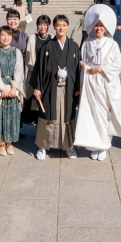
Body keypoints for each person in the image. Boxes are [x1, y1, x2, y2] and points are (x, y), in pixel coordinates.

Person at [74, 5, 121, 160]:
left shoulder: (111, 43)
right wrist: (82, 64)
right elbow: (82, 59)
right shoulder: (87, 42)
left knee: (104, 113)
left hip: (104, 82)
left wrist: (101, 69)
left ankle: (103, 145)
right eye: (96, 25)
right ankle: (93, 145)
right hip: (90, 82)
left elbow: (118, 63)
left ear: (106, 27)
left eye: (101, 26)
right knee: (90, 112)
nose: (98, 28)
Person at [31, 14, 81, 160]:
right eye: (58, 25)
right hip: (49, 87)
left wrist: (77, 87)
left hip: (68, 88)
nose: (61, 28)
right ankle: (43, 146)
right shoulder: (47, 46)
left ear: (67, 27)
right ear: (54, 27)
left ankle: (69, 146)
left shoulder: (74, 47)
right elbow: (39, 68)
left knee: (67, 117)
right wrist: (37, 87)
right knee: (47, 115)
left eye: (64, 25)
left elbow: (77, 69)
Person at [0, 26, 25, 156]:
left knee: (12, 115)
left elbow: (19, 70)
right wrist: (1, 87)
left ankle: (9, 141)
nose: (6, 38)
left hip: (13, 87)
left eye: (8, 35)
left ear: (12, 37)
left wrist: (14, 87)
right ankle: (0, 142)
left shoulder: (17, 52)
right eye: (3, 35)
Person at [24, 15, 52, 126]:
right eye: (40, 24)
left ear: (49, 25)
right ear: (37, 25)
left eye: (45, 24)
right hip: (34, 75)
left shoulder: (52, 38)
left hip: (48, 77)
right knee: (35, 103)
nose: (42, 27)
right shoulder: (33, 38)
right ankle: (36, 128)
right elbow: (29, 60)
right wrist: (36, 76)